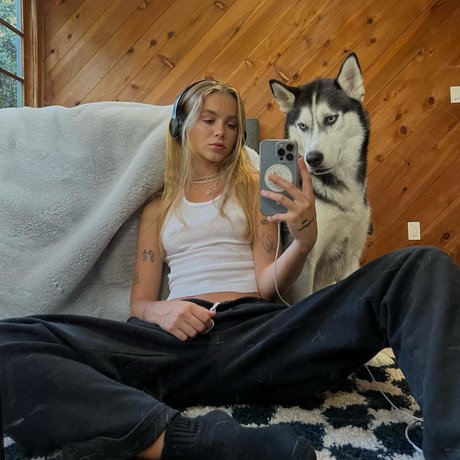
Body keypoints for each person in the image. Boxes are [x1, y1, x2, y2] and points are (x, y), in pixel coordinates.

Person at [0, 80, 459, 460]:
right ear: (182, 125)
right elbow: (140, 303)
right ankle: (197, 442)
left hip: (260, 336)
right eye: (209, 119)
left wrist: (303, 240)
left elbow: (266, 285)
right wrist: (163, 312)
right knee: (11, 340)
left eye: (232, 123)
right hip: (174, 346)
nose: (222, 131)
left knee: (421, 265)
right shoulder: (158, 207)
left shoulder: (258, 188)